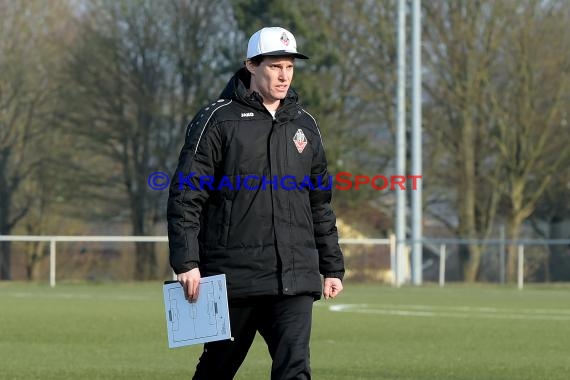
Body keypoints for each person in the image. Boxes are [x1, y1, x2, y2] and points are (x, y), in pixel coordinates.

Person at [167, 26, 345, 380]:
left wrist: (331, 265)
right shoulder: (217, 120)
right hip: (234, 278)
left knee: (295, 370)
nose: (283, 75)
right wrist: (186, 261)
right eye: (275, 66)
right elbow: (187, 194)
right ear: (251, 64)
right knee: (217, 369)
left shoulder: (305, 126)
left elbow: (319, 203)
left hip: (294, 279)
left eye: (289, 67)